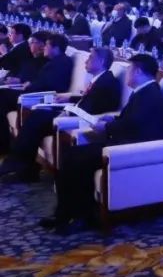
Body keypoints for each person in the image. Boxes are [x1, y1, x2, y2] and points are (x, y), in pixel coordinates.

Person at [46, 54, 163, 233]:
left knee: (76, 159)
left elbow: (135, 125)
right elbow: (131, 120)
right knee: (71, 155)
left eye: (130, 69)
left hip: (131, 148)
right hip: (122, 142)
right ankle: (64, 214)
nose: (127, 74)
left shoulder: (150, 95)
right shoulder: (144, 91)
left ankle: (80, 216)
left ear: (138, 71)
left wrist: (107, 127)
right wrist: (113, 120)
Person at [0, 47, 122, 182]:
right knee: (36, 116)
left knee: (37, 117)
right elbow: (88, 100)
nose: (86, 61)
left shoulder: (107, 82)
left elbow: (91, 108)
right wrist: (70, 98)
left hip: (81, 120)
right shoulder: (101, 79)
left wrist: (66, 112)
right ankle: (25, 168)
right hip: (75, 112)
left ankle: (20, 166)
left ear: (102, 61)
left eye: (91, 57)